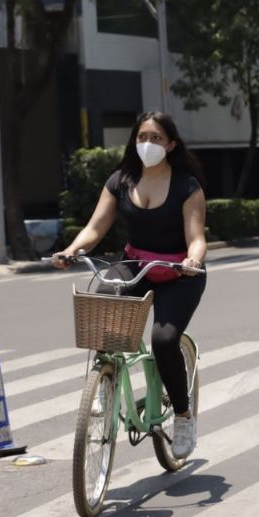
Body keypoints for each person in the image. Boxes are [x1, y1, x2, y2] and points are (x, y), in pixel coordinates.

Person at [51, 111, 207, 459]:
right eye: (141, 137)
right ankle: (105, 383)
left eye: (156, 138)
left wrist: (192, 261)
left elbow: (197, 237)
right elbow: (95, 227)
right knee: (105, 300)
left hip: (180, 273)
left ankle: (182, 416)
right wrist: (72, 249)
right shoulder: (120, 181)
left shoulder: (186, 186)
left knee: (164, 340)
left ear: (171, 145)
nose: (147, 144)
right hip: (136, 264)